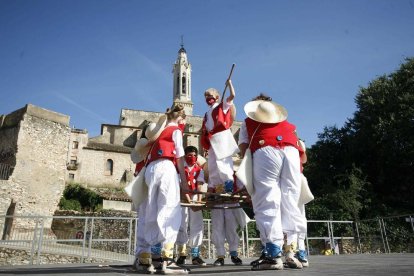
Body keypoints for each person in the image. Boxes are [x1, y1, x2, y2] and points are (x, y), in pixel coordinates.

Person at [238, 93, 305, 270]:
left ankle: (273, 255)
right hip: (291, 153)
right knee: (290, 201)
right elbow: (301, 151)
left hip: (265, 151)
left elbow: (243, 148)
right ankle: (291, 252)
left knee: (267, 200)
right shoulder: (288, 124)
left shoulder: (247, 122)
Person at [134, 104, 189, 275]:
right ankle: (167, 260)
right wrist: (185, 184)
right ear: (181, 118)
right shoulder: (176, 131)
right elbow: (179, 157)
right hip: (166, 167)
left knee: (150, 211)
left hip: (151, 170)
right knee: (169, 210)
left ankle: (146, 258)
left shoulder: (157, 135)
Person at [201, 80, 243, 266]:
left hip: (222, 139)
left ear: (217, 97)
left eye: (211, 97)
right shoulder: (206, 113)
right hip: (212, 143)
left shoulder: (222, 106)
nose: (209, 99)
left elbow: (232, 97)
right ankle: (219, 255)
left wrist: (230, 84)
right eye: (207, 97)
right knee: (214, 168)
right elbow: (205, 130)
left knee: (225, 166)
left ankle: (233, 253)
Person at [175, 146, 207, 266]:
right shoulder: (180, 169)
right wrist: (188, 201)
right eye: (189, 155)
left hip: (194, 196)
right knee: (182, 223)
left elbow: (199, 185)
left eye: (194, 155)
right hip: (182, 197)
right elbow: (183, 186)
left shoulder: (199, 169)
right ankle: (182, 254)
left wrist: (198, 201)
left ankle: (195, 255)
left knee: (197, 224)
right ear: (185, 156)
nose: (192, 158)